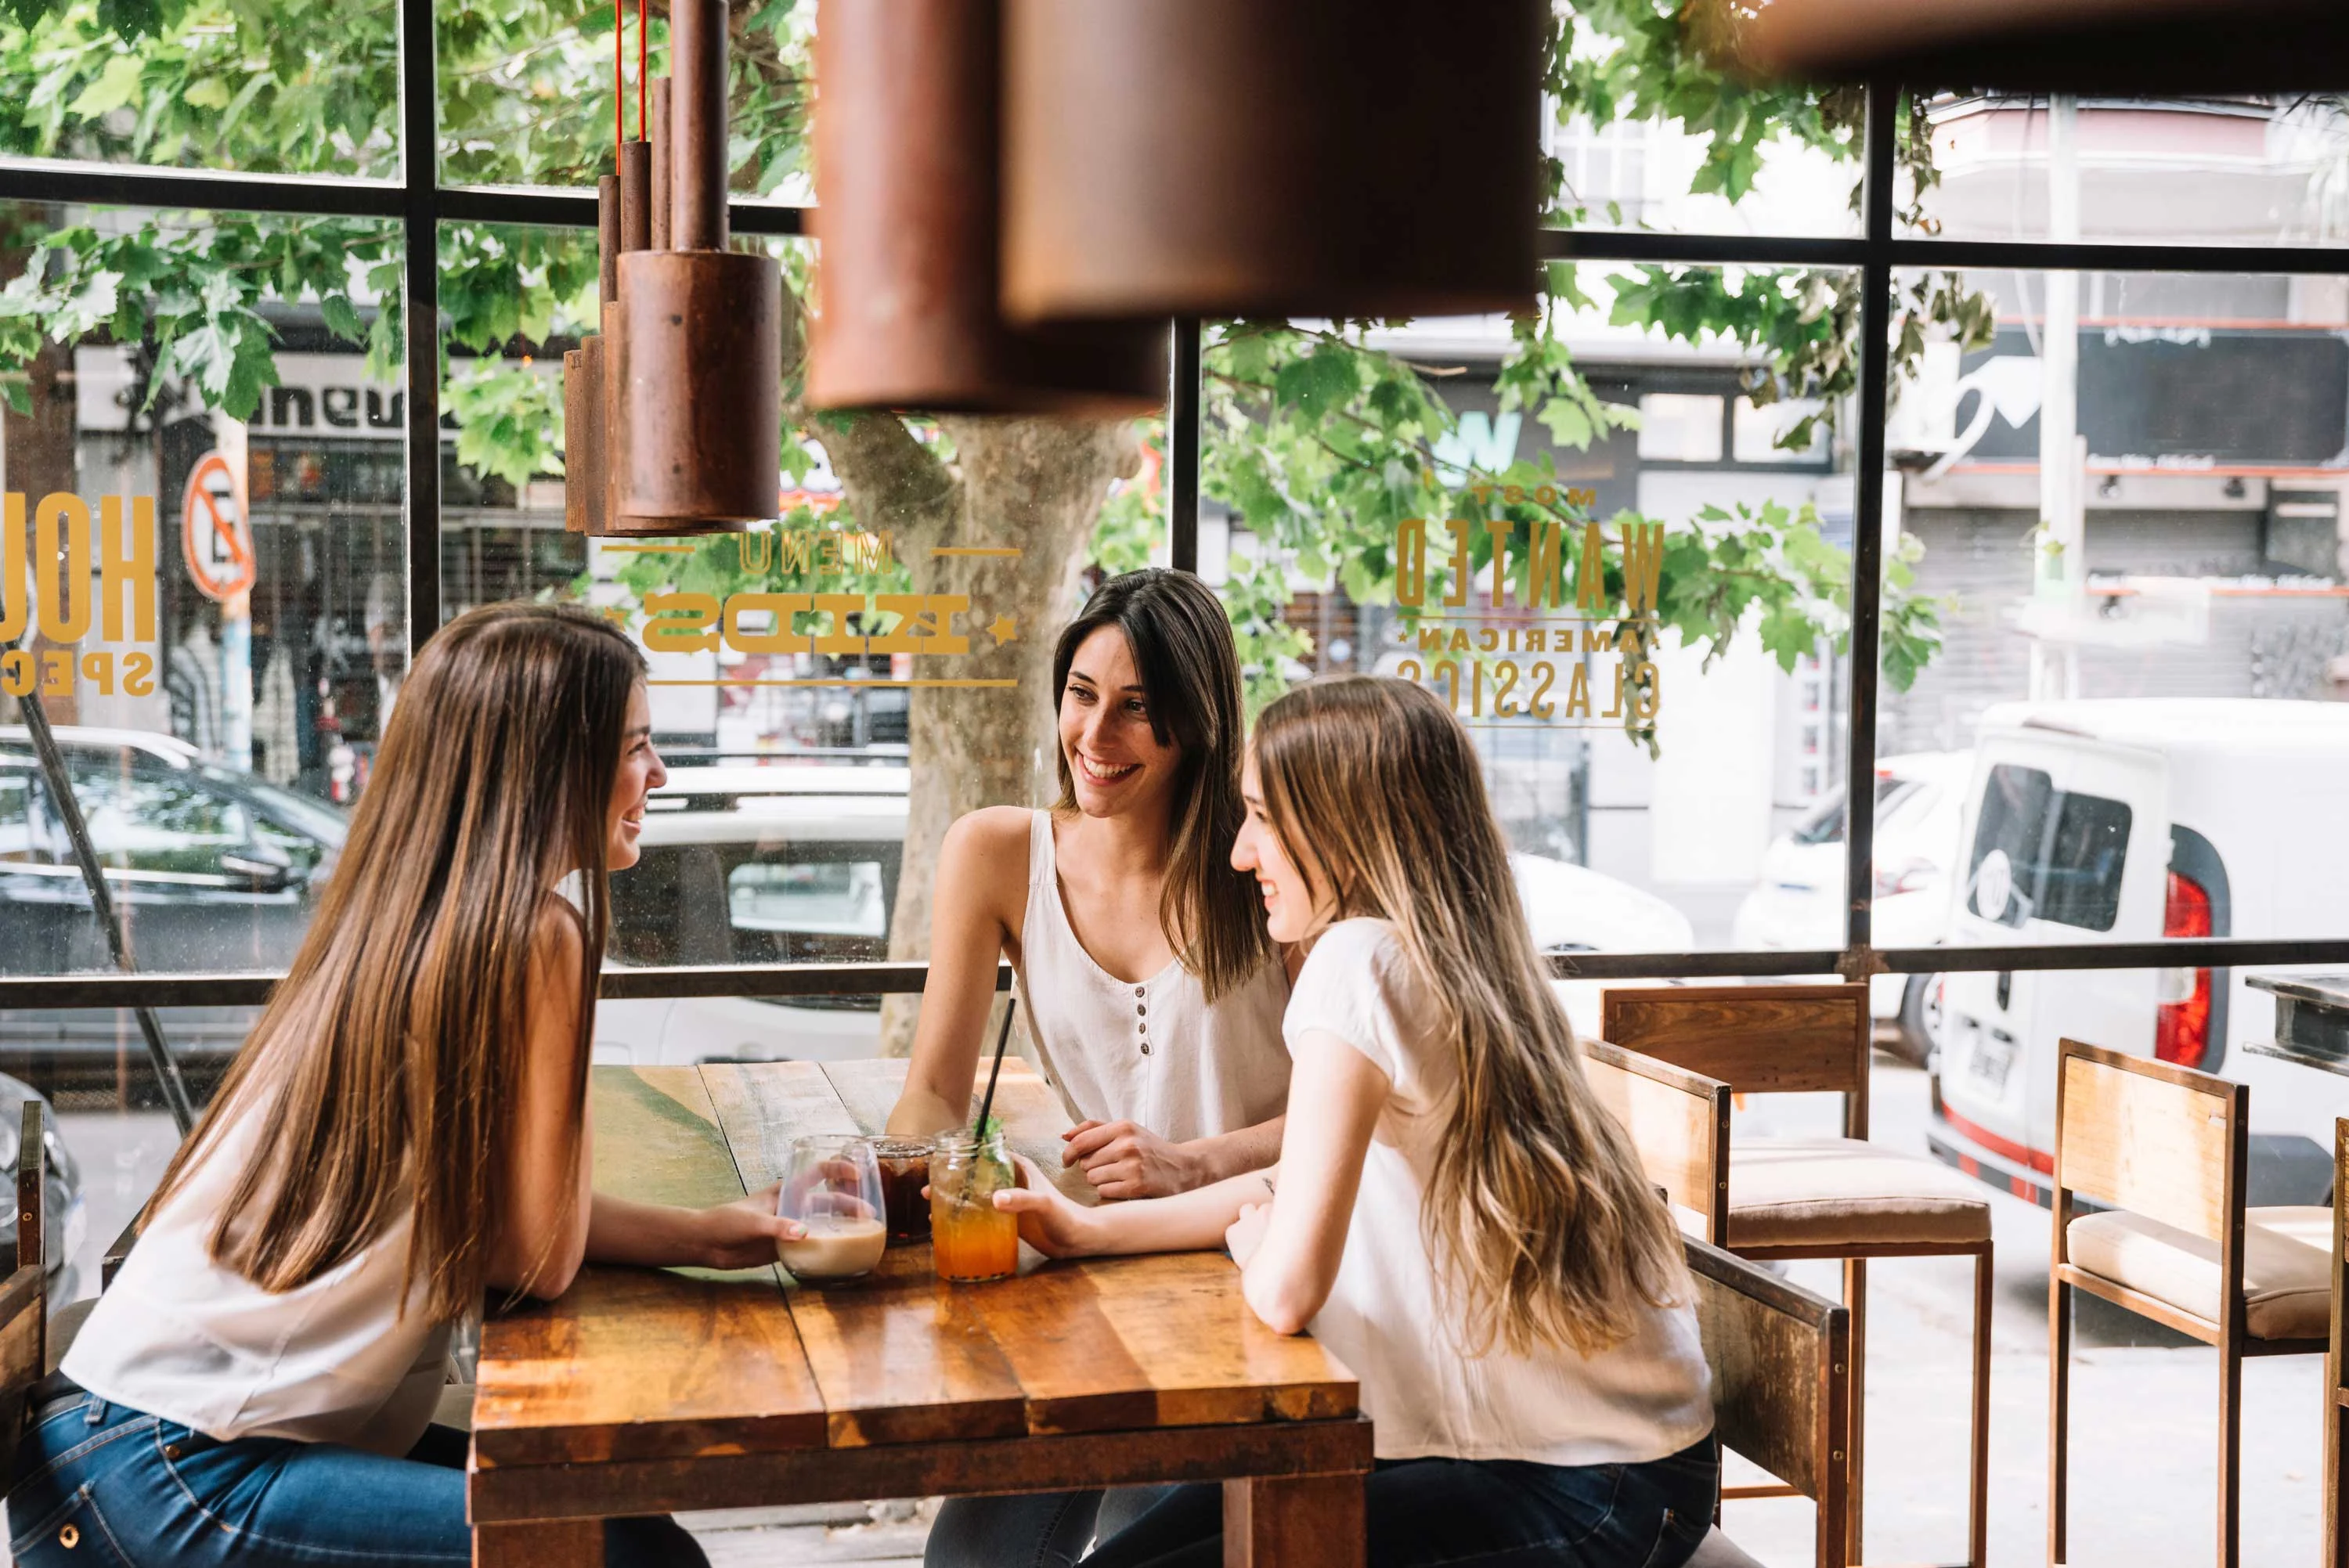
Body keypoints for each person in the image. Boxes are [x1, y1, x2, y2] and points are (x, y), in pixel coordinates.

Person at [8, 604, 798, 1568]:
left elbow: (510, 1225)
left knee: (633, 1536)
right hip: (178, 1469)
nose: (659, 774)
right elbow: (537, 1257)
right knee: (627, 1559)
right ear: (550, 766)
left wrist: (709, 1234)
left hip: (110, 1447)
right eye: (635, 747)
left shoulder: (404, 929)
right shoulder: (537, 932)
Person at [994, 676, 1719, 1568]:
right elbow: (1288, 1177)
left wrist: (1260, 1248)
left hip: (1589, 1480)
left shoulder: (1357, 960)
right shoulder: (1444, 957)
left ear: (1340, 827)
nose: (1238, 851)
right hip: (1624, 1462)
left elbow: (1287, 1282)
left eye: (1262, 817)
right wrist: (1090, 1230)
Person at [892, 569, 1293, 1568]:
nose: (1096, 737)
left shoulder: (1267, 864)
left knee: (1141, 1541)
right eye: (1081, 693)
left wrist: (1192, 1162)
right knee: (973, 1559)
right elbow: (940, 1085)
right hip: (1091, 1264)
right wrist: (898, 1173)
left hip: (1268, 1269)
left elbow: (1361, 1115)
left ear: (1194, 722)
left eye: (1137, 706)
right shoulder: (993, 850)